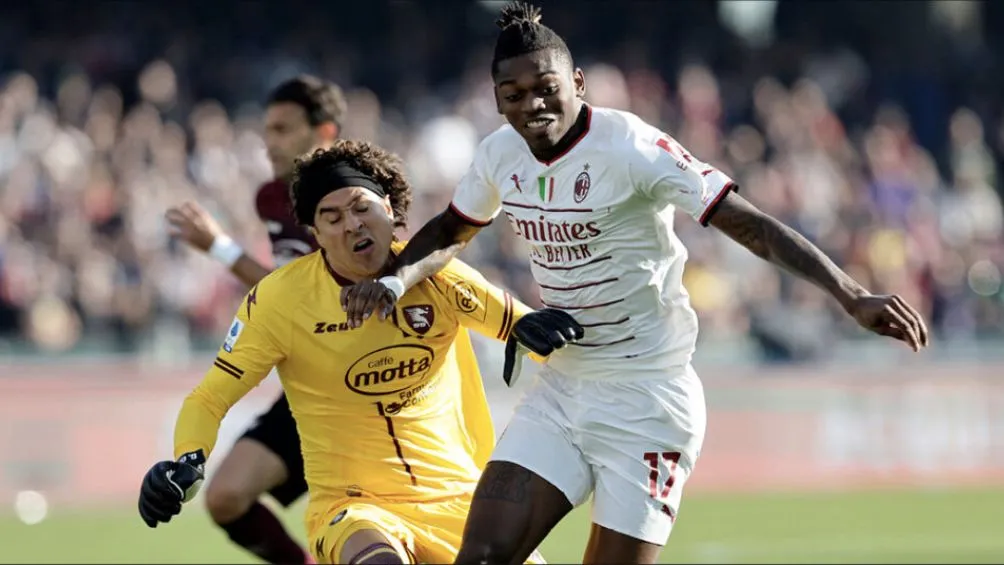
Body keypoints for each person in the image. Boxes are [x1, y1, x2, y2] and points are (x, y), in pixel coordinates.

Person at [340, 3, 931, 564]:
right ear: (496, 100)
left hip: (649, 400)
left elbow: (747, 224)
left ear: (578, 81)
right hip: (563, 390)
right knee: (483, 556)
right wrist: (392, 282)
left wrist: (851, 295)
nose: (534, 105)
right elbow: (451, 227)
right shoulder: (499, 155)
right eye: (514, 94)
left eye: (547, 87)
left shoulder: (631, 147)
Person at [139, 140, 566, 564]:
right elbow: (210, 396)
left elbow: (532, 331)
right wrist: (187, 461)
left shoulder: (438, 275)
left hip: (461, 504)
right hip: (356, 509)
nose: (352, 225)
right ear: (316, 233)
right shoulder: (280, 300)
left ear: (389, 207)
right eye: (332, 217)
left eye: (362, 208)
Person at [163, 75, 345, 564]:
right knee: (225, 497)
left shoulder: (350, 200)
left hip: (361, 386)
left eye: (283, 129)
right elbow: (288, 293)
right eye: (267, 130)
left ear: (323, 131)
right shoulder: (272, 198)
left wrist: (220, 249)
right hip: (307, 389)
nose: (270, 142)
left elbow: (317, 298)